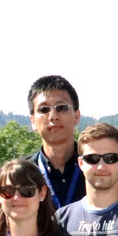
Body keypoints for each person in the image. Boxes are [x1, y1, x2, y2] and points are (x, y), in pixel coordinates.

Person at [26, 75, 85, 210]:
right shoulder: (22, 173)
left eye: (61, 107)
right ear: (33, 121)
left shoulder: (97, 166)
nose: (53, 116)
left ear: (77, 116)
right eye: (44, 109)